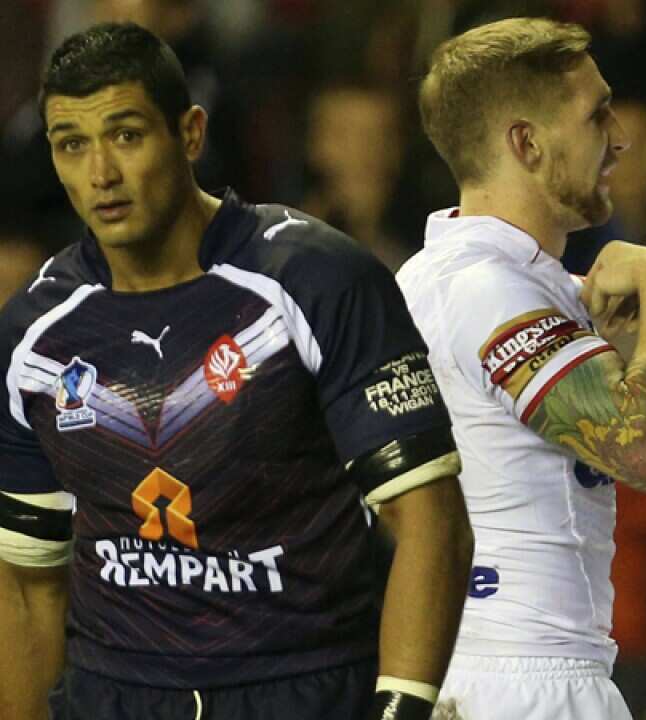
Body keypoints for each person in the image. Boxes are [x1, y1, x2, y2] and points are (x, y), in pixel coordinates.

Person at [0, 23, 471, 720]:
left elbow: (430, 521)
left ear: (189, 134)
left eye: (126, 135)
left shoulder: (318, 281)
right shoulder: (32, 336)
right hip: (116, 694)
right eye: (73, 145)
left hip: (309, 686)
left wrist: (402, 706)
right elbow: (27, 587)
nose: (101, 174)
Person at [397, 18, 646, 720]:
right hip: (520, 678)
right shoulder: (480, 288)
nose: (620, 137)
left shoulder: (502, 280)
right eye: (596, 114)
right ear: (526, 143)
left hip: (519, 669)